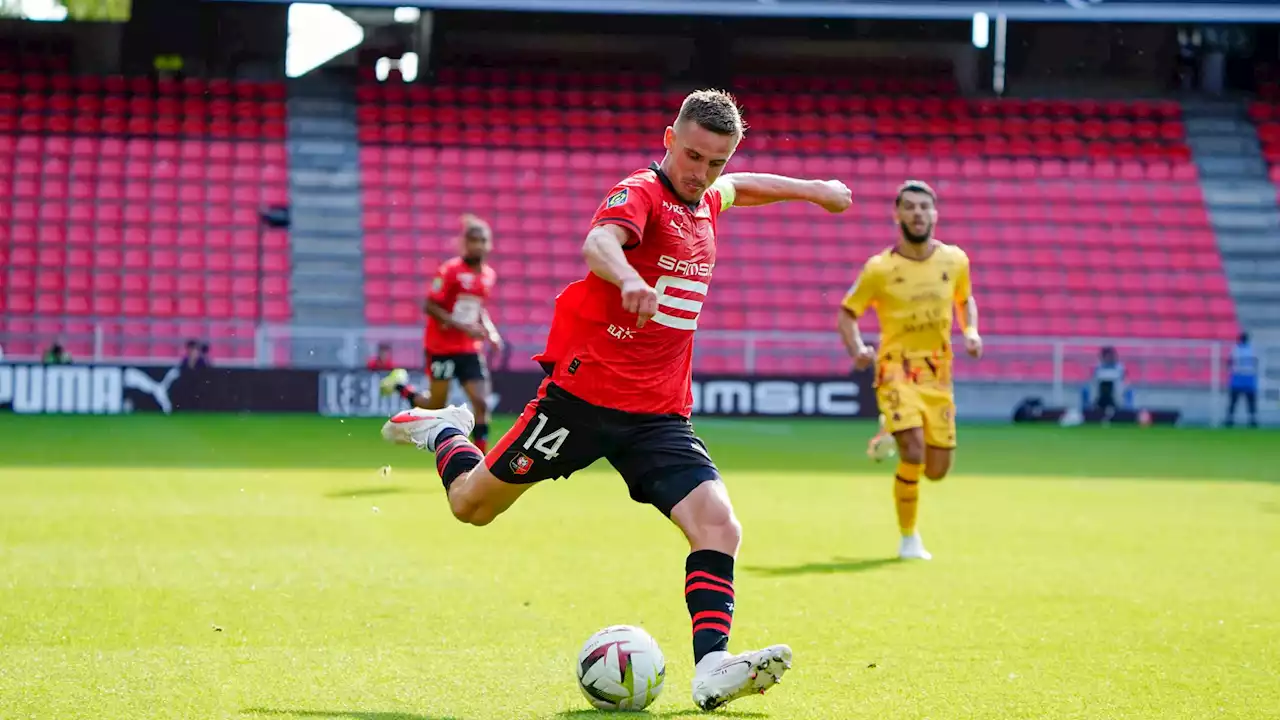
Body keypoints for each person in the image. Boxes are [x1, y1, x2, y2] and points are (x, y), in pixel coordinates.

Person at [379, 89, 851, 711]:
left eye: (715, 161)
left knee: (719, 525)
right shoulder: (642, 194)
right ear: (667, 139)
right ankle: (444, 429)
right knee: (472, 507)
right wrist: (628, 276)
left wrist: (814, 188)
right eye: (691, 155)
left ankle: (712, 665)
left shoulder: (708, 195)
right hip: (579, 402)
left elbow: (748, 185)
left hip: (658, 415)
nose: (701, 172)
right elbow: (599, 243)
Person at [837, 180, 981, 562]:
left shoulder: (955, 260)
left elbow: (965, 300)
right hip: (895, 369)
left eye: (924, 207)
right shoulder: (880, 269)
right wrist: (857, 349)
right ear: (897, 215)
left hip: (938, 374)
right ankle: (908, 538)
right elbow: (848, 313)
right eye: (911, 207)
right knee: (913, 452)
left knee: (936, 470)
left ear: (935, 214)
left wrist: (970, 332)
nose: (918, 213)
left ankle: (890, 429)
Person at [381, 214, 502, 452]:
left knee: (481, 402)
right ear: (465, 243)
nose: (478, 245)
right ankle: (400, 385)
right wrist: (463, 327)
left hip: (468, 349)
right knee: (435, 405)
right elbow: (429, 306)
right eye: (473, 240)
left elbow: (478, 309)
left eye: (482, 240)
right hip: (441, 347)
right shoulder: (450, 271)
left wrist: (491, 332)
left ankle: (480, 459)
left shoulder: (488, 275)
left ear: (489, 244)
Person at [1226, 331, 1258, 428]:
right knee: (1250, 401)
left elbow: (1229, 362)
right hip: (1248, 377)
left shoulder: (1235, 349)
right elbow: (1256, 362)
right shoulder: (1252, 349)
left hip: (1238, 377)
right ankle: (1252, 420)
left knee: (1234, 401)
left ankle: (1230, 420)